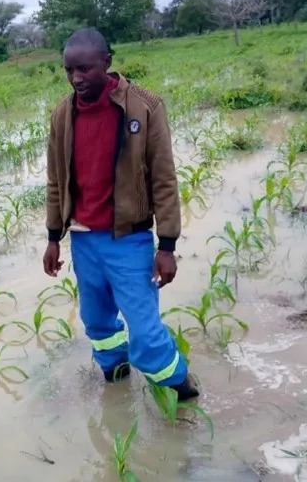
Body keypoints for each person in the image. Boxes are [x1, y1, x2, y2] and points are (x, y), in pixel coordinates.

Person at [43, 27, 199, 401]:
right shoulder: (62, 115)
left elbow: (164, 179)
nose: (76, 78)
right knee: (97, 323)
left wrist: (167, 246)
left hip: (129, 240)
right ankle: (116, 383)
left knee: (145, 332)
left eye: (85, 69)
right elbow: (54, 182)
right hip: (83, 239)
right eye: (69, 70)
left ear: (107, 63)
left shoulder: (145, 106)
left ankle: (183, 393)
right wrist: (52, 238)